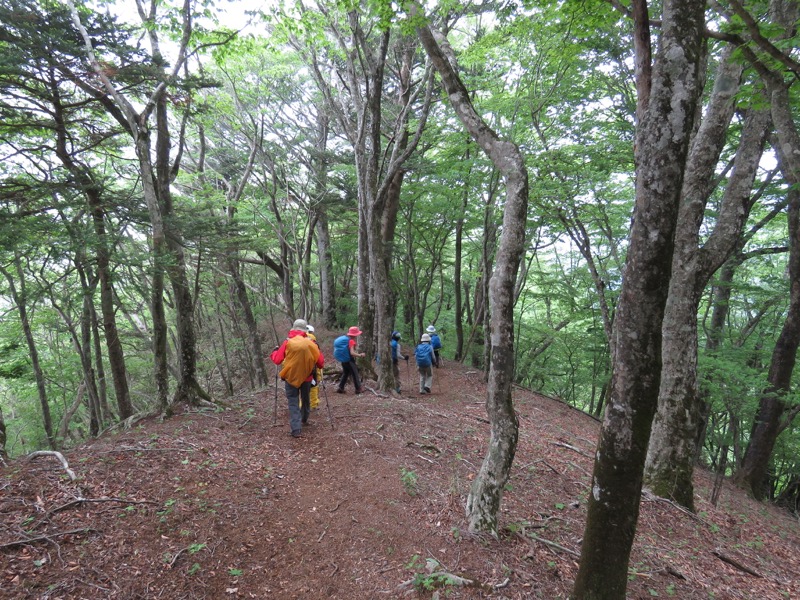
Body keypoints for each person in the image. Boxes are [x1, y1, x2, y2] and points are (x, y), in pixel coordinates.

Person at [270, 319, 324, 438]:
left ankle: (296, 429)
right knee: (305, 399)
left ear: (293, 329)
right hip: (307, 377)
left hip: (290, 378)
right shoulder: (311, 343)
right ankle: (304, 419)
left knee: (293, 402)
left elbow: (277, 360)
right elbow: (320, 363)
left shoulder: (287, 342)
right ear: (305, 330)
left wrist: (274, 352)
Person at [333, 326, 366, 394]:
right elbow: (352, 353)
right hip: (349, 360)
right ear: (355, 335)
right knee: (355, 373)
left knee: (346, 373)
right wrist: (360, 355)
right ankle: (358, 389)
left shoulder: (347, 339)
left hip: (344, 360)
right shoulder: (351, 341)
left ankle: (340, 388)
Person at [306, 324, 322, 410]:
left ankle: (302, 405)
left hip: (299, 369)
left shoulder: (295, 341)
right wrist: (319, 373)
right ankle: (313, 404)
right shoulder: (314, 343)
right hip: (312, 368)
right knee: (313, 385)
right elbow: (319, 358)